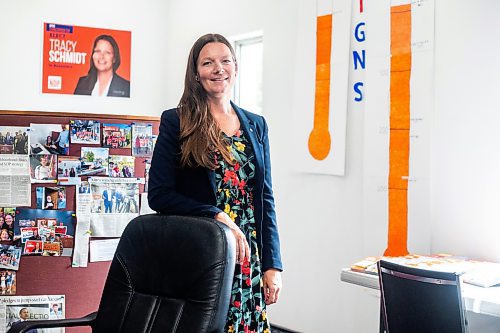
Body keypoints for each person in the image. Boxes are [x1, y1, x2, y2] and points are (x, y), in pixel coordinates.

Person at [148, 34, 282, 333]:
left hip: (248, 255)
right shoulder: (177, 121)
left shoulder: (256, 124)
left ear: (235, 66)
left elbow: (265, 198)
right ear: (196, 73)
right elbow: (158, 195)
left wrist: (273, 265)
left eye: (225, 61)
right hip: (203, 251)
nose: (218, 68)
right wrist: (216, 214)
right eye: (207, 63)